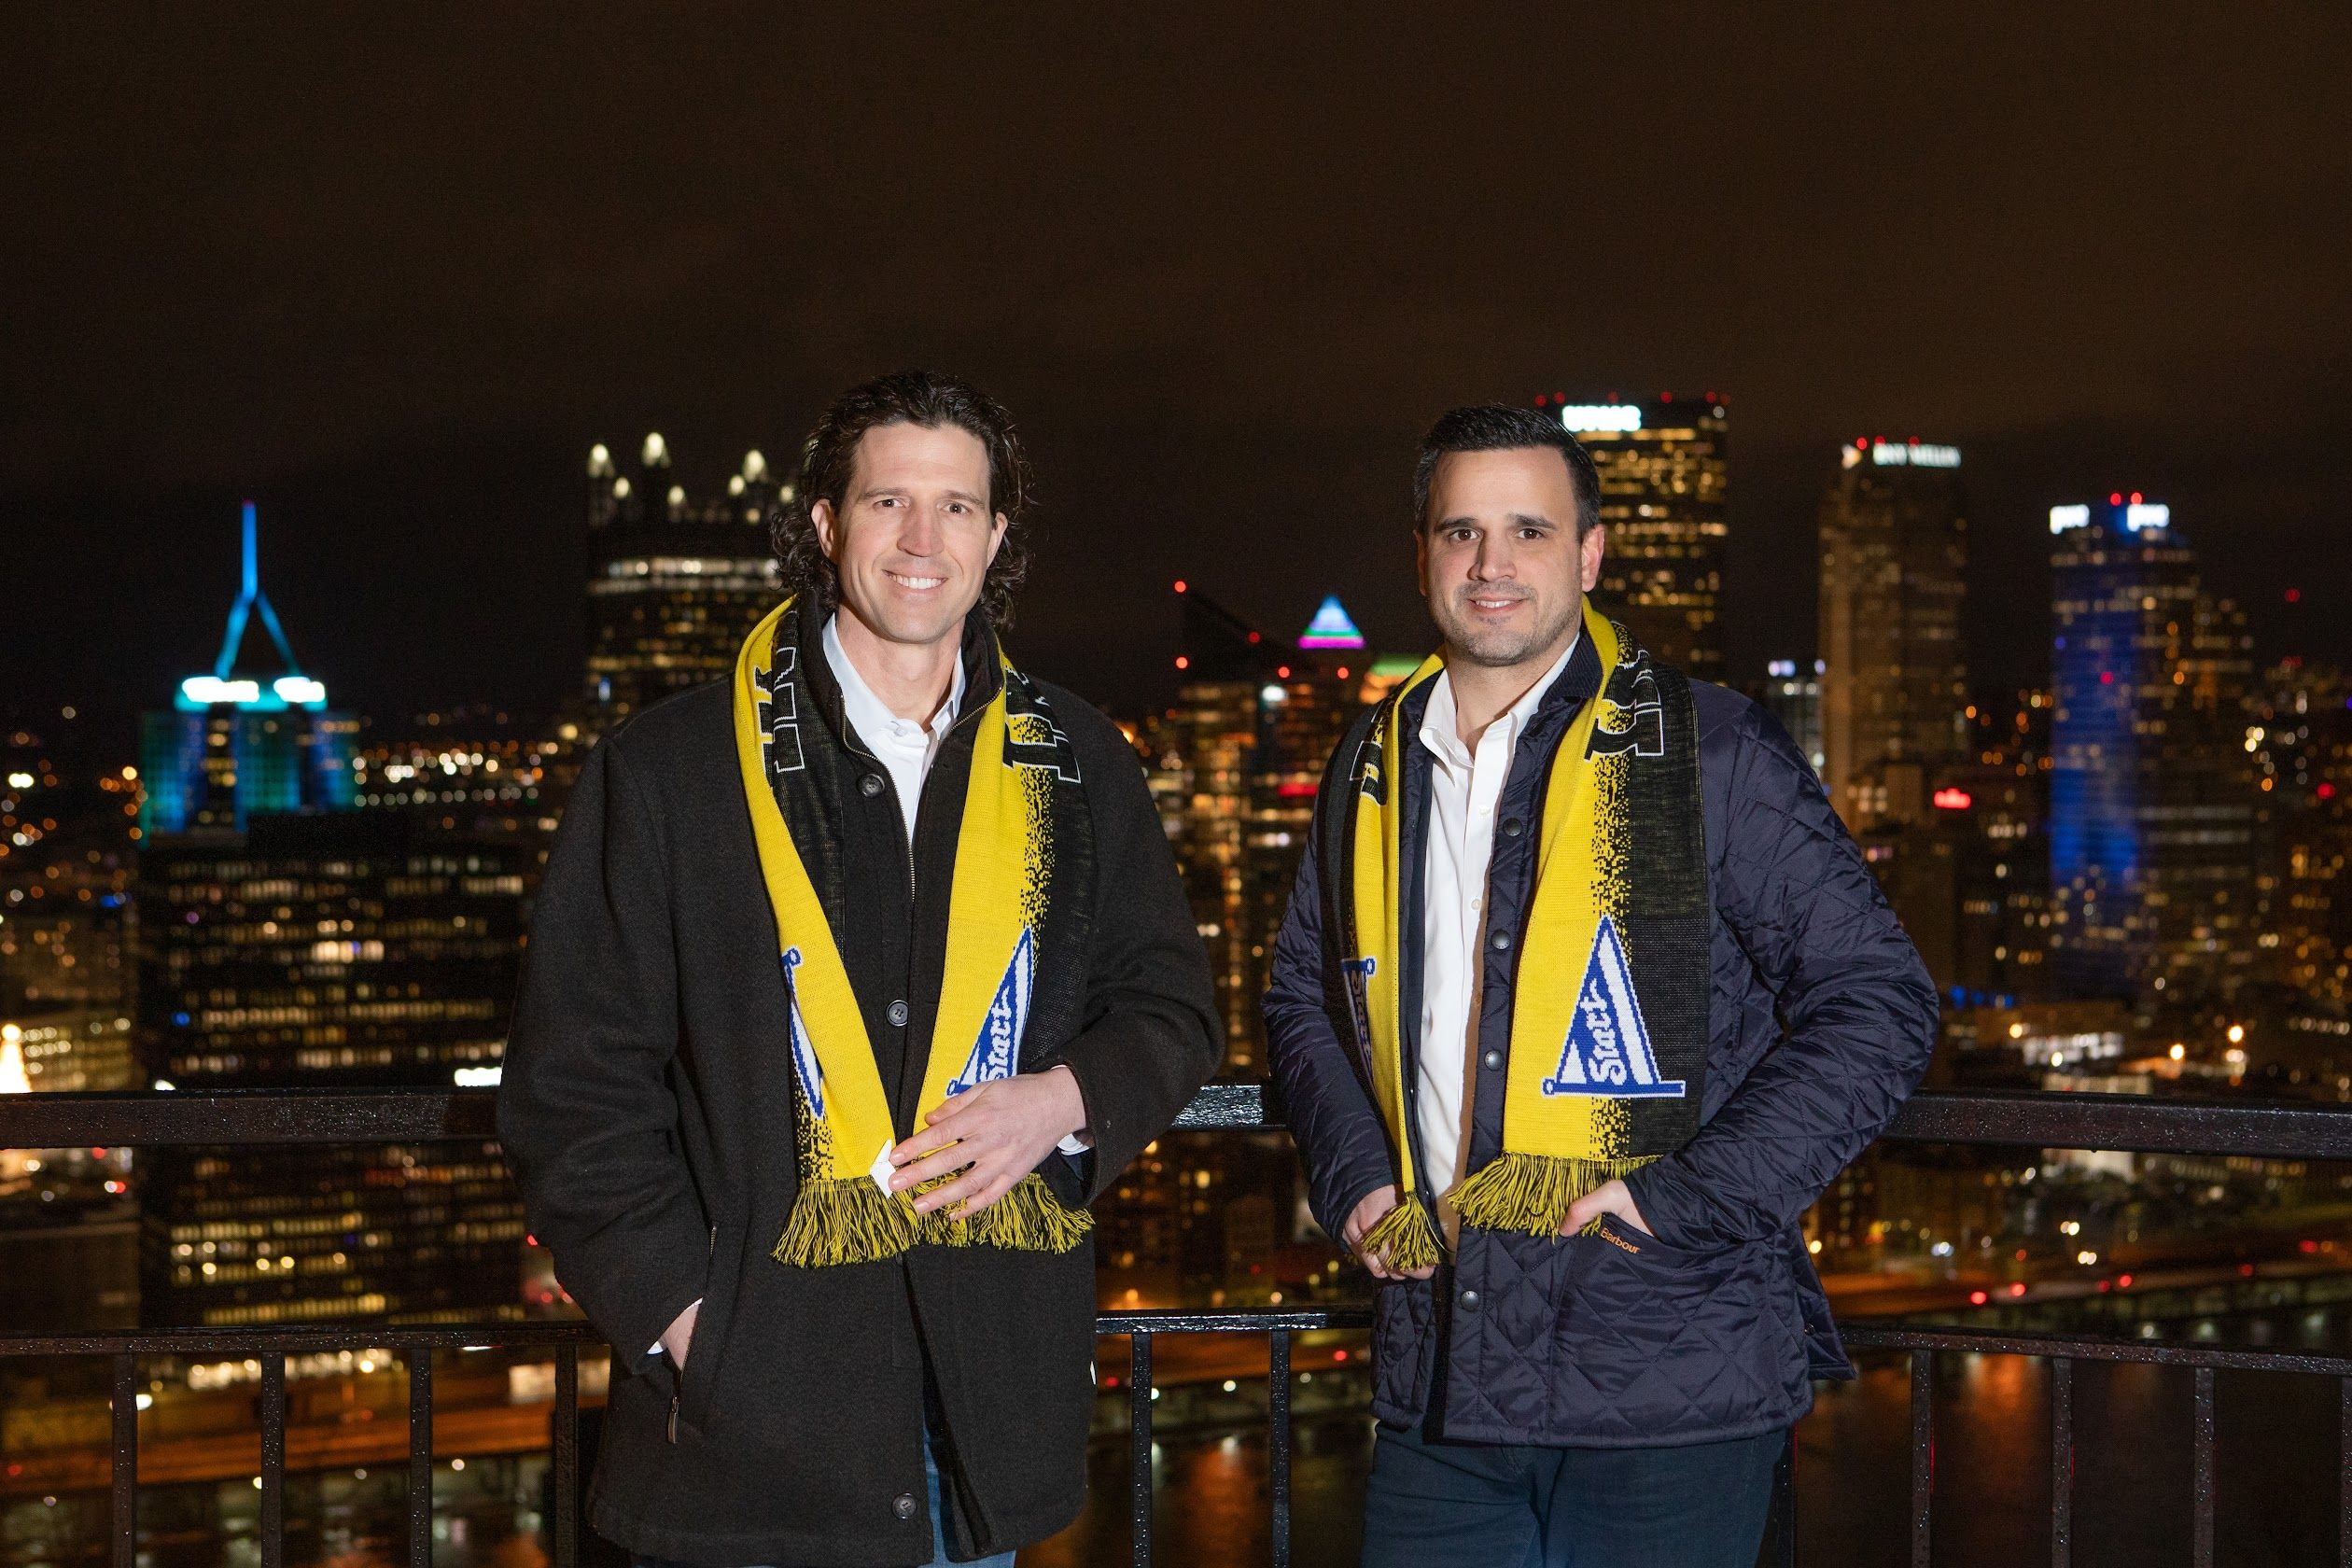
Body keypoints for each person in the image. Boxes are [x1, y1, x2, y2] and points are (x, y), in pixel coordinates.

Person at [499, 371, 1220, 1567]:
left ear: (997, 536)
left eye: (957, 507)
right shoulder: (671, 771)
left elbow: (1171, 1009)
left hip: (982, 1420)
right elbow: (572, 1091)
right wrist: (695, 1330)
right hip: (744, 1446)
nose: (923, 540)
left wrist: (1061, 1102)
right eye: (890, 502)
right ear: (828, 524)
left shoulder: (1081, 764)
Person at [1265, 403, 1937, 1567]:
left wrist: (1687, 1203)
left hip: (1667, 1377)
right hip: (1441, 1380)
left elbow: (1879, 1002)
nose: (1492, 564)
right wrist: (1358, 1174)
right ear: (1422, 557)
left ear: (1588, 555)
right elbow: (1303, 1000)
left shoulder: (1711, 751)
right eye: (1462, 532)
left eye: (1529, 531)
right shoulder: (1370, 768)